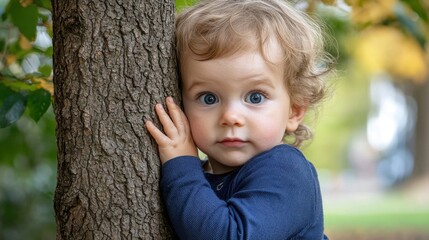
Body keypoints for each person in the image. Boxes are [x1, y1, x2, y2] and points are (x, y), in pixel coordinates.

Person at [145, 0, 333, 239]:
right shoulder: (199, 175)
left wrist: (182, 165)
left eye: (255, 97)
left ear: (294, 111)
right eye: (209, 98)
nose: (230, 117)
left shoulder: (286, 171)